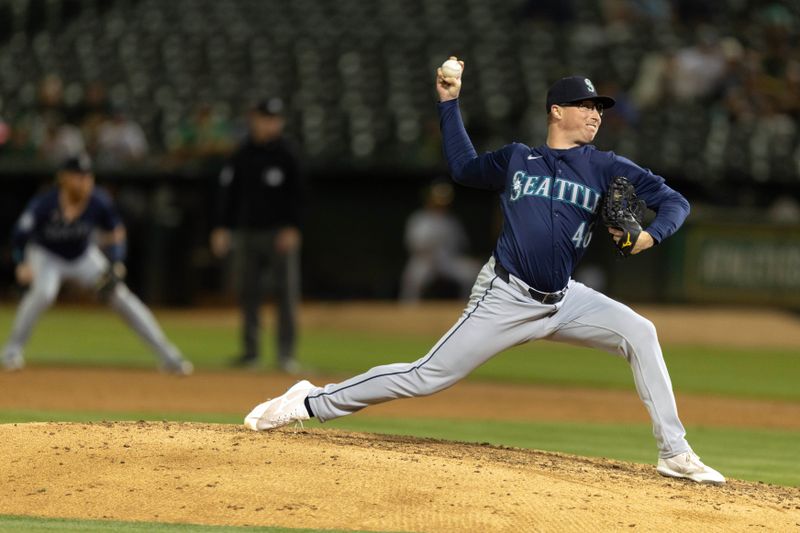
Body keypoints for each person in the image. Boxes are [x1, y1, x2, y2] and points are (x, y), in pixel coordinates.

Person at [243, 58, 725, 485]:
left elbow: (674, 201)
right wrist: (449, 103)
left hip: (563, 299)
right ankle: (308, 402)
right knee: (426, 376)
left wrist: (649, 235)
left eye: (599, 107)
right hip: (505, 295)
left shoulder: (606, 167)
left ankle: (675, 453)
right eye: (584, 104)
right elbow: (463, 167)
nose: (595, 113)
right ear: (556, 111)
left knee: (640, 332)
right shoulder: (518, 159)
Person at [1, 154, 193, 375]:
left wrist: (116, 262)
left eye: (86, 176)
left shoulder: (98, 201)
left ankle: (169, 356)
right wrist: (21, 262)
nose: (83, 181)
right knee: (43, 293)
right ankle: (11, 351)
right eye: (77, 176)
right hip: (47, 255)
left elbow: (117, 234)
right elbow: (19, 235)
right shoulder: (45, 203)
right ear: (63, 178)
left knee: (121, 296)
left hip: (83, 254)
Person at [210, 98, 303, 372]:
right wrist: (222, 227)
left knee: (286, 294)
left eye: (274, 118)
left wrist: (292, 227)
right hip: (248, 232)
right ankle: (251, 353)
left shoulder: (287, 153)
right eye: (265, 118)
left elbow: (300, 196)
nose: (269, 123)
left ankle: (285, 355)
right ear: (255, 119)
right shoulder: (243, 153)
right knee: (247, 292)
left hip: (278, 233)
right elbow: (229, 194)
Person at [399, 180, 480, 303]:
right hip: (425, 260)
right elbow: (413, 245)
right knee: (413, 276)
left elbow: (462, 245)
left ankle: (467, 307)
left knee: (472, 271)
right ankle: (407, 309)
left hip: (448, 260)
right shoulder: (419, 219)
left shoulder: (451, 221)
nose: (440, 203)